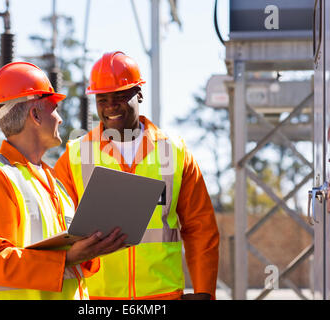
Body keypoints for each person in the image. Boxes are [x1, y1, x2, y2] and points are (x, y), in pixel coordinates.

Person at [54, 51, 220, 300]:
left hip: (162, 297)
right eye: (102, 99)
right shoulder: (75, 156)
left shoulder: (174, 151)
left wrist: (204, 292)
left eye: (120, 96)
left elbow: (201, 228)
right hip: (99, 298)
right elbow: (56, 231)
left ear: (139, 93)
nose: (110, 106)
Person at [0, 61, 127, 300]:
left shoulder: (53, 182)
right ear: (36, 114)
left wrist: (91, 249)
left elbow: (66, 261)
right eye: (54, 108)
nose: (60, 119)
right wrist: (69, 258)